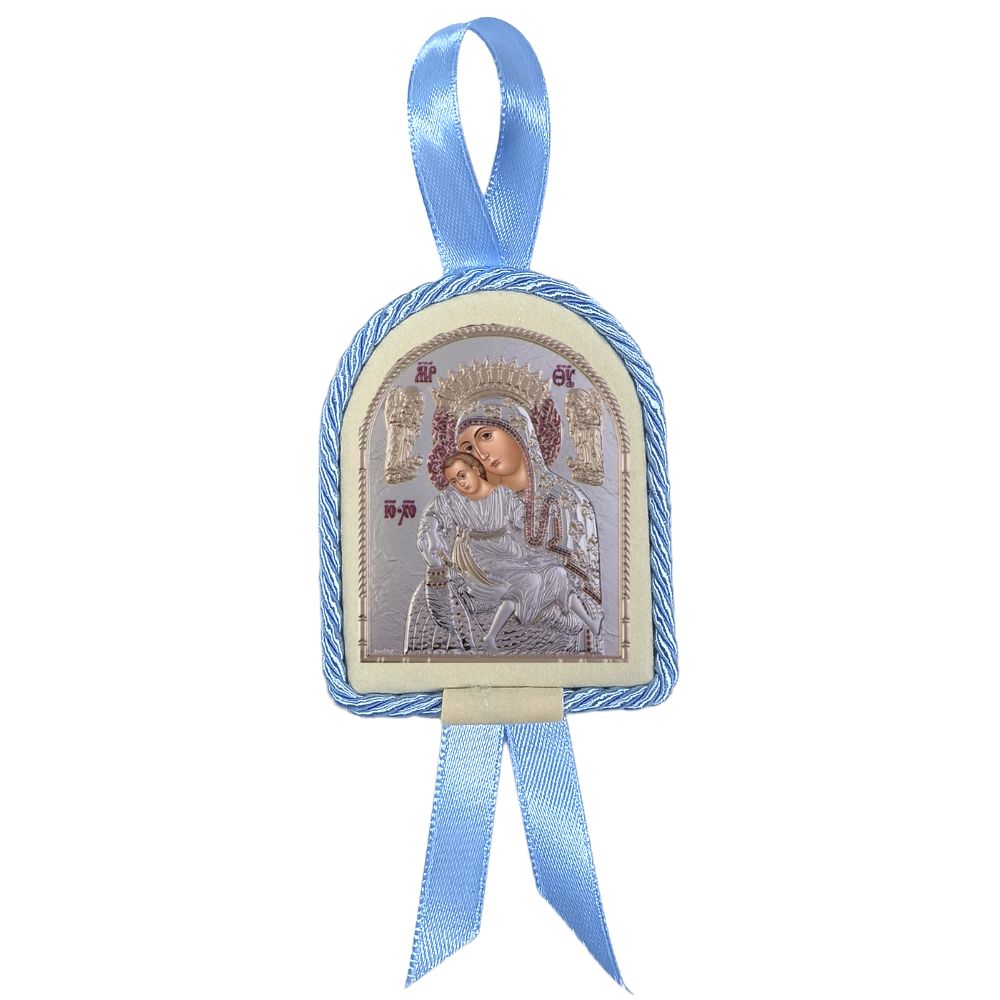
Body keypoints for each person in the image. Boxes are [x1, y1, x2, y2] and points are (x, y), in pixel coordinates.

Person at [415, 452, 604, 654]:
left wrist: (543, 513)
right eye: (454, 481)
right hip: (481, 557)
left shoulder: (502, 494)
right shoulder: (453, 499)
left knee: (558, 573)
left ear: (476, 470)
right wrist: (432, 535)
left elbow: (525, 521)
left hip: (512, 551)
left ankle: (590, 622)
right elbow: (432, 516)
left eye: (462, 475)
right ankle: (492, 636)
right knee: (529, 580)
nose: (460, 483)